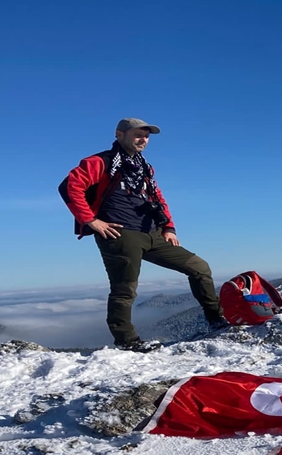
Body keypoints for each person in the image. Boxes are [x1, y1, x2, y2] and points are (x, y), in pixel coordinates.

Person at [61, 118, 226, 352]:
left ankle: (216, 320)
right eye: (138, 134)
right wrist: (91, 220)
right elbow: (69, 186)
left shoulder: (143, 167)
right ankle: (126, 341)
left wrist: (168, 227)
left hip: (152, 232)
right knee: (124, 289)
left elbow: (156, 197)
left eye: (146, 136)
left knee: (199, 267)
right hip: (120, 234)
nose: (143, 140)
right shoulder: (101, 162)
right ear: (120, 135)